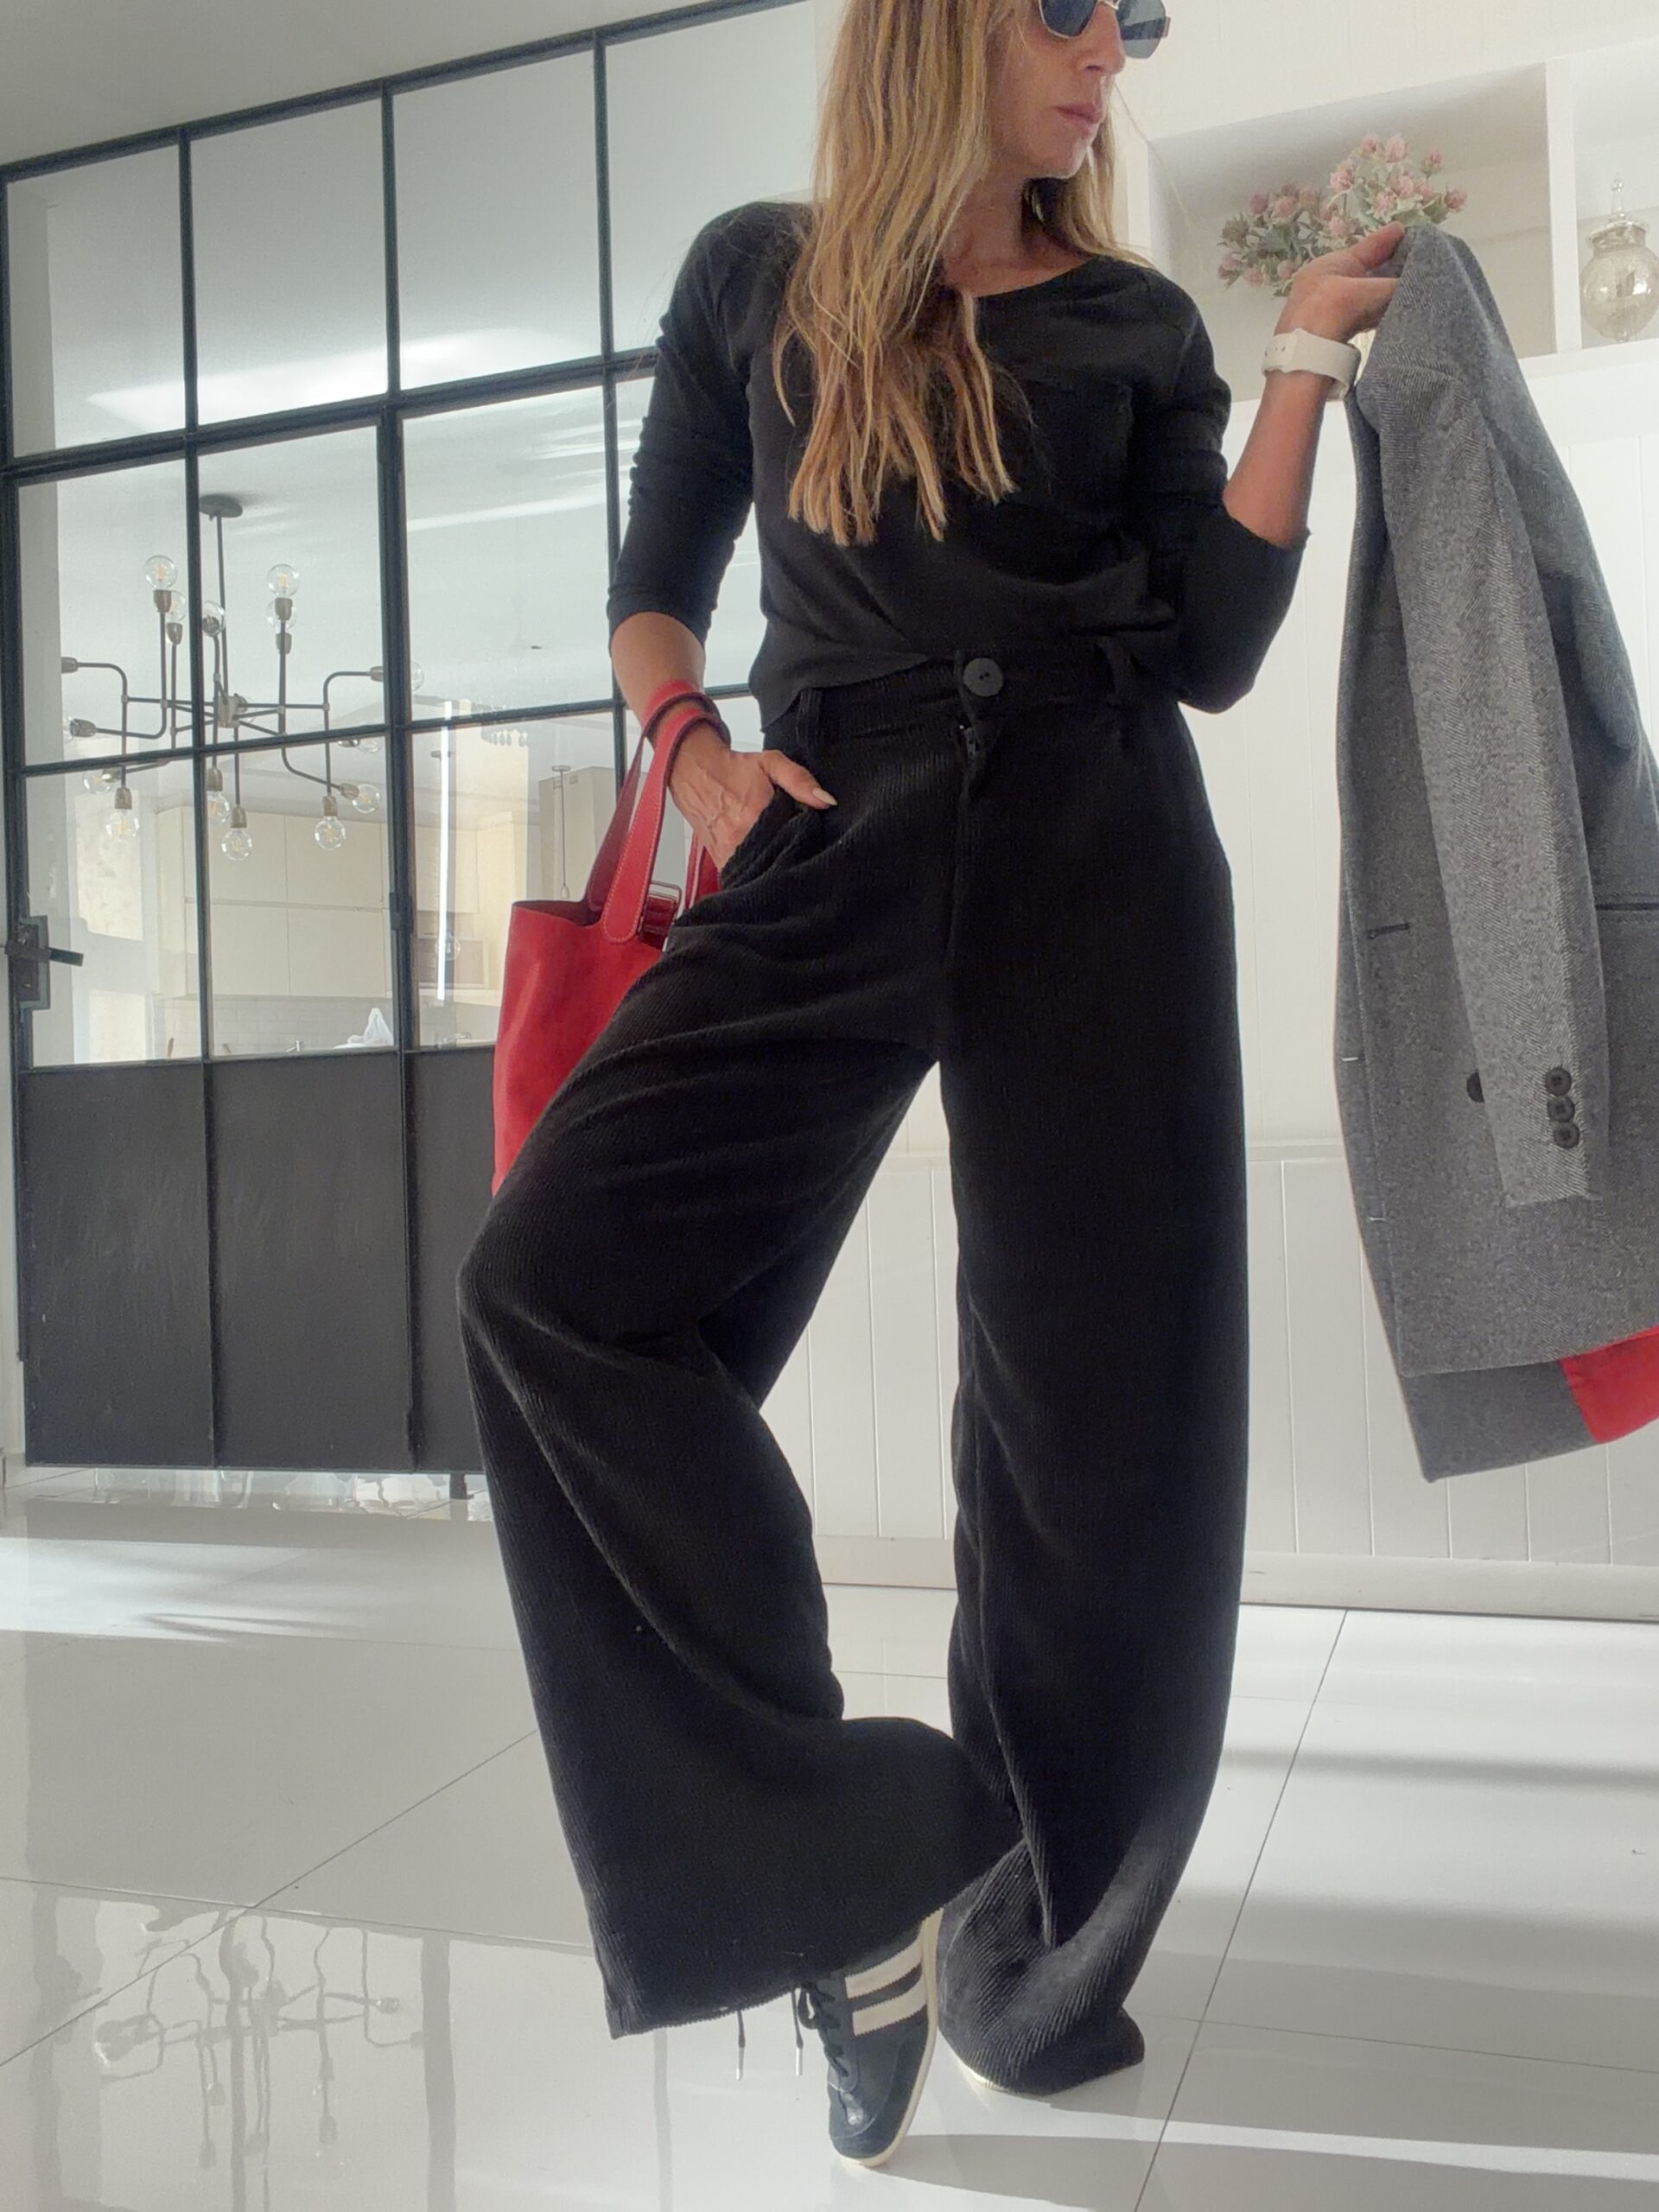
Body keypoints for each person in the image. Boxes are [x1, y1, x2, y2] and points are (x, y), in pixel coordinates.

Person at [458, 0, 1400, 2171]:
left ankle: (1036, 1952)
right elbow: (652, 588)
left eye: (1138, 24)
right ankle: (838, 1863)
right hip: (835, 812)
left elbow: (1214, 640)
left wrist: (1299, 364)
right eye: (1075, 9)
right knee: (551, 1285)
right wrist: (694, 757)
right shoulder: (757, 278)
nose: (1111, 55)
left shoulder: (1134, 317)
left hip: (1101, 829)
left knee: (1105, 1435)